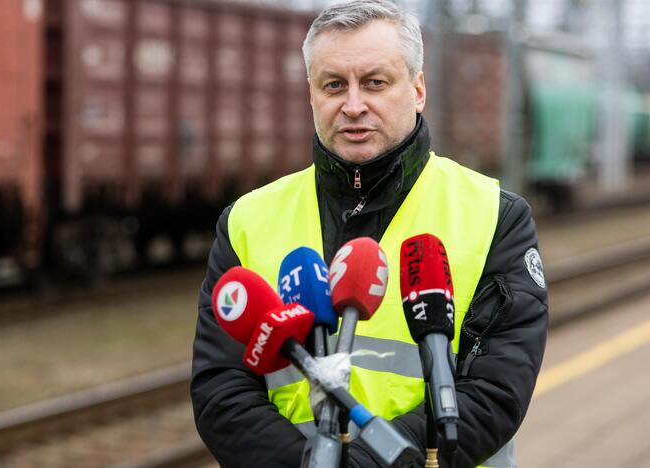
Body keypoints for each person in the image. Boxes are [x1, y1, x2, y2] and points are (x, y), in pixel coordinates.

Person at [191, 1, 548, 467]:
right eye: (334, 84)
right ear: (311, 95)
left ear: (417, 89)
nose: (354, 105)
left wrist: (373, 464)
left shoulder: (494, 216)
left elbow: (497, 389)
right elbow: (221, 390)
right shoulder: (246, 221)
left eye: (375, 82)